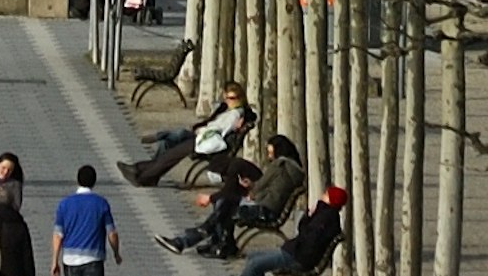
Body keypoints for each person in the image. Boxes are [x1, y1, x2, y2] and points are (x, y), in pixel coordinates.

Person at [188, 140, 303, 258]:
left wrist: (252, 191)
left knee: (225, 203)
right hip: (270, 209)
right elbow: (272, 187)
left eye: (270, 153)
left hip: (263, 210)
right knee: (225, 202)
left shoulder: (279, 165)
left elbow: (261, 185)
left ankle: (215, 239)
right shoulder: (293, 169)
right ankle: (217, 240)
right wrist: (251, 185)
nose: (269, 157)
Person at [125, 85, 253, 188]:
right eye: (226, 97)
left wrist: (201, 130)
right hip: (205, 138)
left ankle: (142, 174)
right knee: (170, 148)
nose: (228, 101)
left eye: (232, 98)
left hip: (209, 144)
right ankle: (144, 172)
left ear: (240, 98)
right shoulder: (230, 111)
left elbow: (218, 129)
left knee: (172, 153)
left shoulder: (234, 115)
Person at [236, 188, 346, 276]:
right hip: (295, 251)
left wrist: (309, 217)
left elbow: (309, 237)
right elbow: (305, 231)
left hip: (298, 257)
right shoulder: (325, 214)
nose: (323, 195)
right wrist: (309, 216)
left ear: (332, 200)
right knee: (253, 257)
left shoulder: (326, 218)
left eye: (326, 195)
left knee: (254, 264)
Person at [52, 167, 117, 276]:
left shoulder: (65, 204)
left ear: (77, 181)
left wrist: (55, 261)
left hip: (70, 259)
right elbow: (112, 233)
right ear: (94, 182)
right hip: (94, 258)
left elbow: (58, 235)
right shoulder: (101, 203)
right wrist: (116, 252)